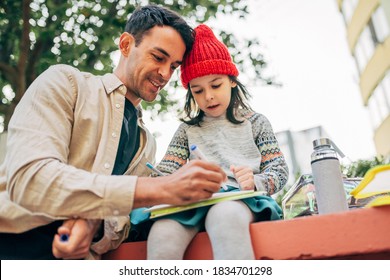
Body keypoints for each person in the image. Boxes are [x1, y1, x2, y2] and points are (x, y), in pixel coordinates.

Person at [0, 5, 227, 260]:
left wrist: (92, 223)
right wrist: (163, 187)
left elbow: (123, 220)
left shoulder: (146, 144)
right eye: (158, 57)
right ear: (127, 45)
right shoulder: (65, 83)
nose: (165, 74)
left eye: (174, 66)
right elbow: (30, 178)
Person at [131, 24, 289, 260]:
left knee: (224, 217)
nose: (209, 96)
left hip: (241, 200)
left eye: (216, 85)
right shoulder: (187, 130)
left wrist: (255, 181)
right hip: (192, 204)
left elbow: (279, 169)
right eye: (198, 91)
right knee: (162, 233)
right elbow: (166, 171)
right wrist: (167, 178)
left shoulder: (256, 122)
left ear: (232, 80)